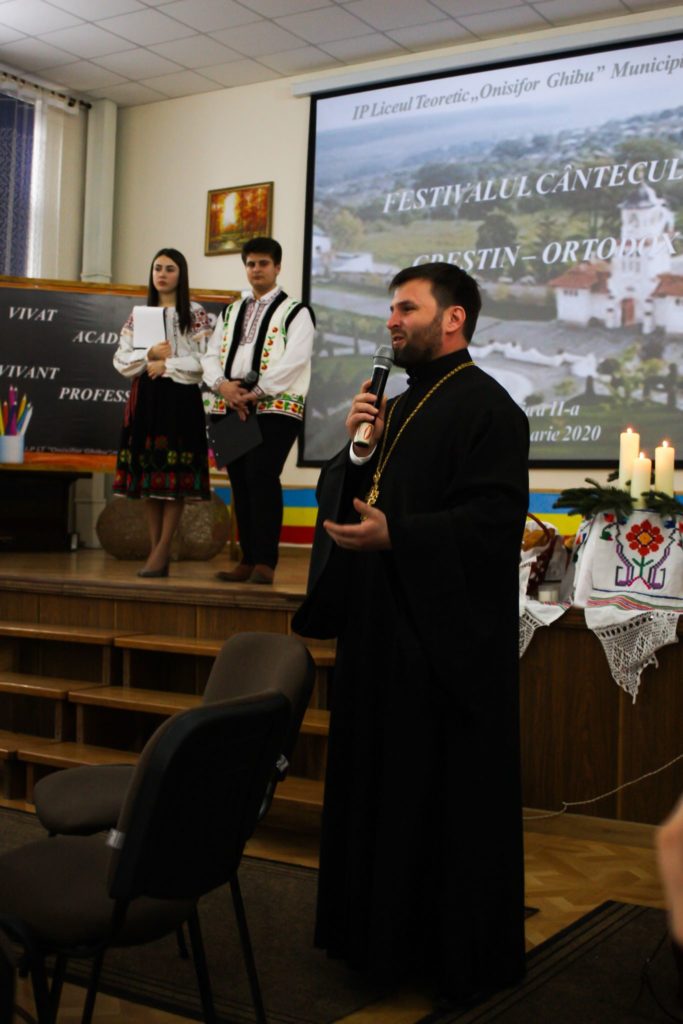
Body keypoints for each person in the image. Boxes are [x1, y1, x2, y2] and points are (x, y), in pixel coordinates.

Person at [292, 262, 530, 1007]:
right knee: (376, 792)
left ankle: (442, 955)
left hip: (440, 650)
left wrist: (401, 536)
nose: (391, 321)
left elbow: (494, 523)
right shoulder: (391, 406)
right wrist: (357, 451)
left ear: (452, 318)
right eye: (390, 309)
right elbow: (349, 500)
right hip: (377, 635)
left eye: (406, 308)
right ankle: (374, 943)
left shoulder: (491, 409)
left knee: (433, 803)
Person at [202, 237, 315, 585]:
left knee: (261, 475)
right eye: (250, 263)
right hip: (230, 400)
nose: (256, 269)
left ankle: (265, 561)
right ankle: (247, 560)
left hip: (275, 405)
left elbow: (295, 360)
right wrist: (222, 385)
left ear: (277, 267)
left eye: (263, 263)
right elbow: (209, 355)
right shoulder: (230, 311)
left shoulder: (296, 311)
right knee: (240, 480)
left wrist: (255, 392)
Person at [113, 247, 212, 577]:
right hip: (146, 399)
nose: (162, 274)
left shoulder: (194, 313)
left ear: (181, 274)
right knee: (150, 479)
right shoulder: (140, 314)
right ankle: (157, 552)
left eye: (170, 269)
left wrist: (166, 365)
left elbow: (204, 361)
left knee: (174, 478)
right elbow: (120, 360)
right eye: (158, 268)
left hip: (179, 400)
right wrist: (148, 356)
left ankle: (163, 548)